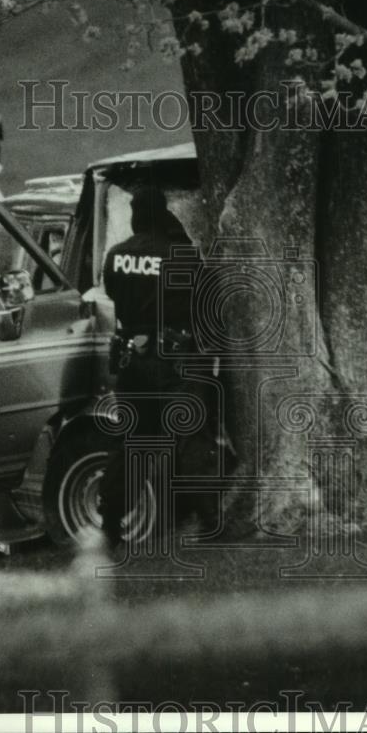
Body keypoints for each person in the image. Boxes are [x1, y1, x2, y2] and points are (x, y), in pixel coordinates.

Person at [99, 187, 208, 551]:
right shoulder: (181, 254)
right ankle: (204, 517)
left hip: (131, 361)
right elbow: (202, 303)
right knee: (188, 433)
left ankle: (112, 521)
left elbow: (114, 294)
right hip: (172, 359)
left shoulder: (116, 256)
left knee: (131, 443)